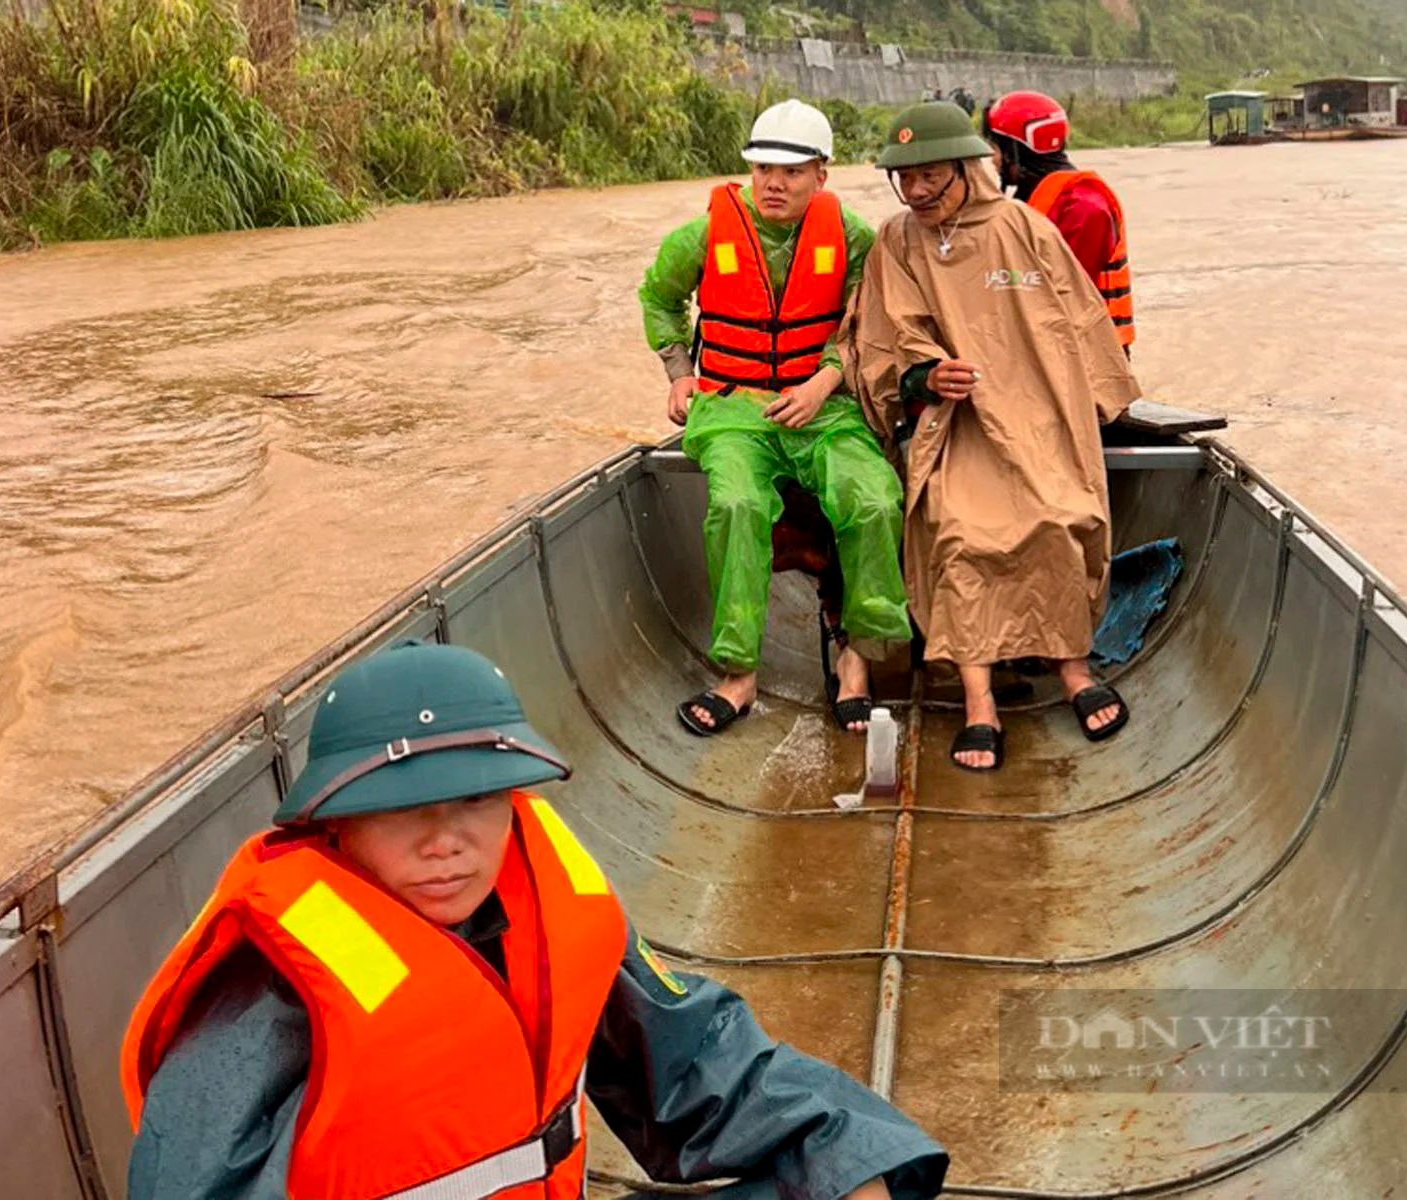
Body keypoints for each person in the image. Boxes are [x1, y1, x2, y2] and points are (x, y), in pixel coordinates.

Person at [121, 641, 950, 1200]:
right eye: (399, 808)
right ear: (333, 824)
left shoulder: (546, 916)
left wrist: (854, 1156)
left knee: (851, 1176)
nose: (447, 842)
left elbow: (699, 1062)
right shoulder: (268, 992)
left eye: (477, 800)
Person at [843, 102, 1141, 772]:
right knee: (955, 529)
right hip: (956, 427)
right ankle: (979, 703)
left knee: (1060, 514)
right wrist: (922, 378)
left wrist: (1101, 402)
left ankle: (1073, 671)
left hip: (1037, 419)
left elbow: (1078, 321)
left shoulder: (1025, 228)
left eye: (930, 177)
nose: (916, 191)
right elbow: (883, 338)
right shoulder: (897, 242)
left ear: (965, 169)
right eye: (904, 179)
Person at [640, 98, 911, 737]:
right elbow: (658, 296)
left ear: (822, 174)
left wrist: (825, 380)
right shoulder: (706, 234)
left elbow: (872, 323)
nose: (773, 183)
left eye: (791, 172)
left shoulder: (851, 236)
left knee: (873, 498)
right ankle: (737, 676)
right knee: (735, 505)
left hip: (824, 409)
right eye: (763, 169)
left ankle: (858, 658)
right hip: (733, 409)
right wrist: (681, 376)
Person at [982, 91, 1135, 354]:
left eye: (995, 150)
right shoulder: (1032, 199)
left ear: (1016, 151)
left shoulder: (1084, 208)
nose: (993, 161)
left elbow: (1064, 295)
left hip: (1092, 352)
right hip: (1055, 345)